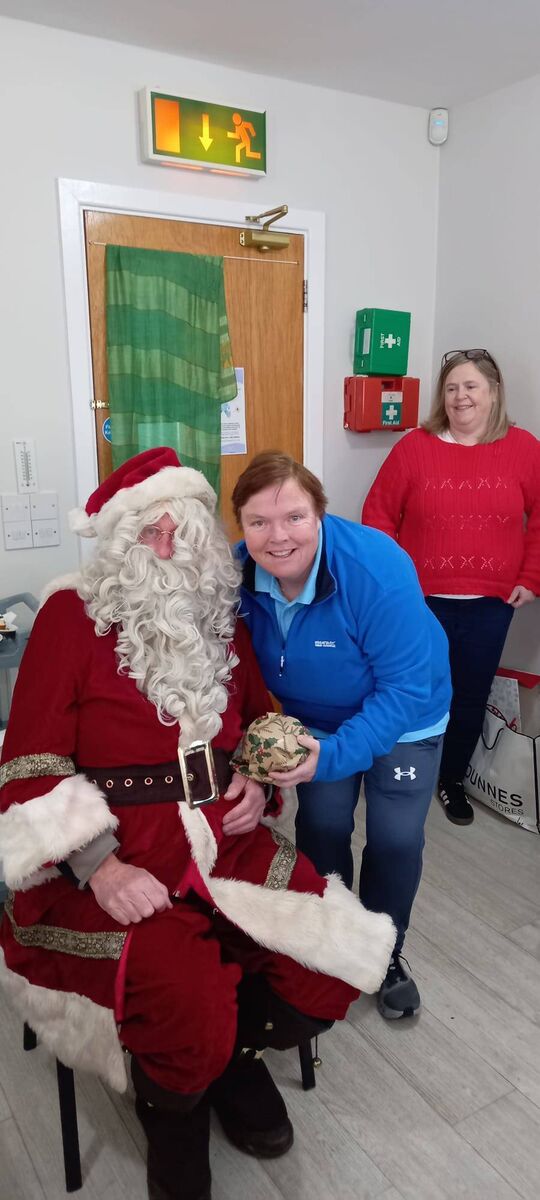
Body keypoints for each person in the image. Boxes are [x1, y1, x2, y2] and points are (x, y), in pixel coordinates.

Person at [0, 448, 395, 1200]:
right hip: (113, 856)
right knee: (183, 994)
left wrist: (255, 779)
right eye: (148, 530)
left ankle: (229, 1061)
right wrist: (98, 864)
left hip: (225, 841)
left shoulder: (222, 616)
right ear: (118, 540)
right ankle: (175, 1112)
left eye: (180, 527)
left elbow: (257, 721)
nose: (166, 546)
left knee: (329, 956)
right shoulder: (67, 616)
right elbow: (28, 762)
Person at [232, 451, 452, 1023]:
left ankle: (384, 952)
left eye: (295, 517)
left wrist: (335, 755)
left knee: (396, 836)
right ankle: (333, 939)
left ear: (321, 515)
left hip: (407, 715)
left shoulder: (377, 566)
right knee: (324, 825)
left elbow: (402, 688)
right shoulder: (235, 579)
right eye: (259, 522)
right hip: (318, 721)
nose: (278, 537)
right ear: (242, 527)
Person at [362, 348, 540, 826]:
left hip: (491, 603)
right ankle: (398, 774)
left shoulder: (523, 447)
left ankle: (451, 779)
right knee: (409, 690)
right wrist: (394, 584)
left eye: (471, 386)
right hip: (419, 602)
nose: (461, 396)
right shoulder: (414, 447)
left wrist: (530, 576)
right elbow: (378, 515)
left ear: (494, 393)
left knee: (467, 695)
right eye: (452, 387)